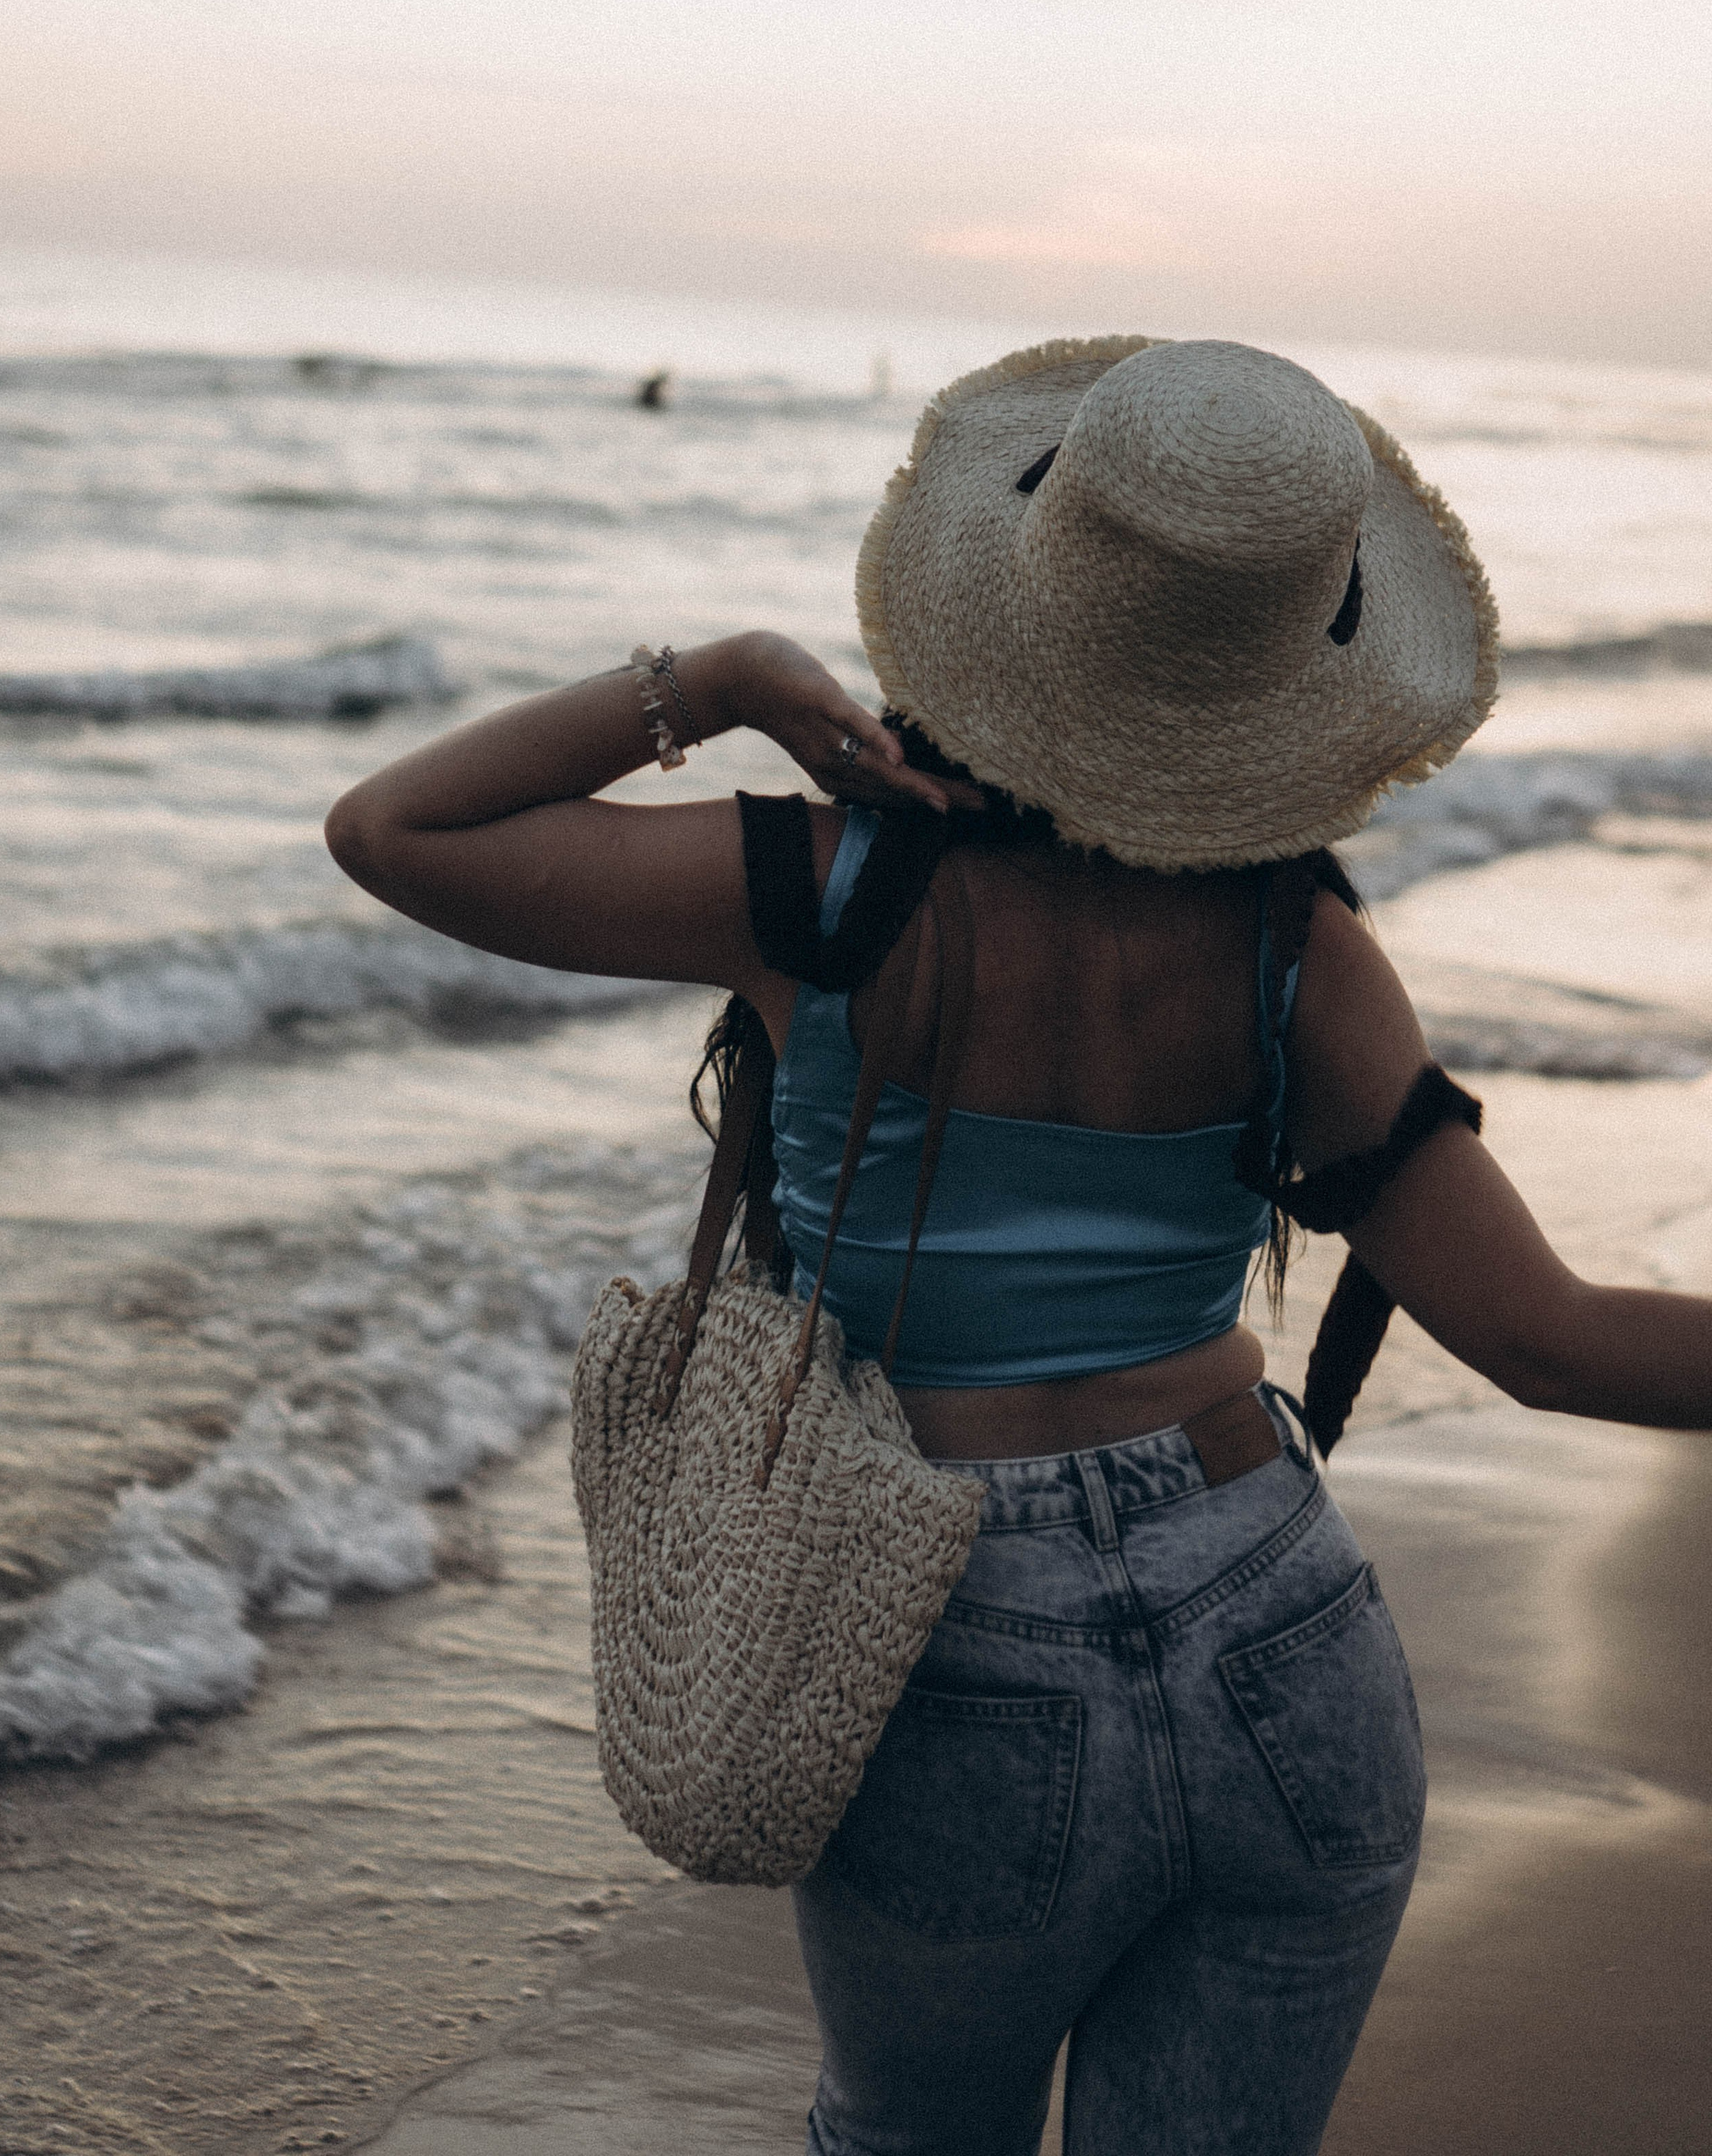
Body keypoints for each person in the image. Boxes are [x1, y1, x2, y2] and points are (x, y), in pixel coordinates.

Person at [324, 335, 1712, 2156]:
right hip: (1284, 1621)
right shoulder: (1305, 951)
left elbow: (395, 829)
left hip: (951, 1627)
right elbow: (1552, 1339)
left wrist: (725, 678)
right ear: (1289, 659)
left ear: (1026, 598)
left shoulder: (823, 886)